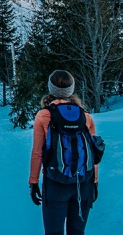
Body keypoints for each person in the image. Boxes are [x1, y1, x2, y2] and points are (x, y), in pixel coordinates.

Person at [29, 70, 98, 235]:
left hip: (55, 182)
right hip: (83, 182)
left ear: (50, 88)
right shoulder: (85, 116)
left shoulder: (44, 115)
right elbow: (93, 153)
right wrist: (94, 182)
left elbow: (37, 153)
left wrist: (33, 182)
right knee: (77, 232)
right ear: (71, 89)